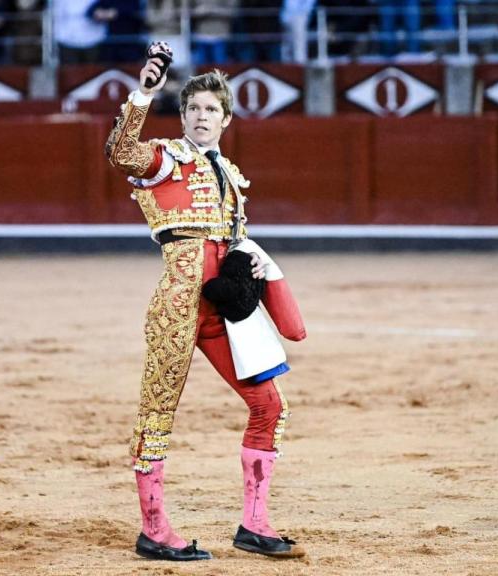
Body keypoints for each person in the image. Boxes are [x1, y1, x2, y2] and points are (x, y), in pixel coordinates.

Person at [105, 42, 308, 561]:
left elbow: (234, 240)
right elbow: (121, 153)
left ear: (225, 118)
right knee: (157, 415)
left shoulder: (232, 177)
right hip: (177, 305)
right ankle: (154, 530)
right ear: (184, 114)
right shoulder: (165, 160)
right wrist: (143, 94)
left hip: (223, 308)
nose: (201, 115)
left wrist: (254, 262)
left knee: (270, 406)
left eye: (210, 109)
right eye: (193, 108)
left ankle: (255, 525)